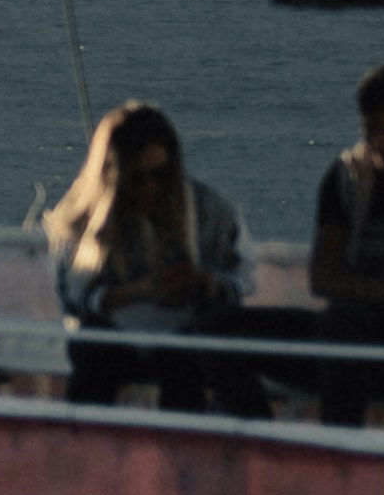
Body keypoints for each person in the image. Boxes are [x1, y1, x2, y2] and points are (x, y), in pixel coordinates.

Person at [39, 98, 246, 409]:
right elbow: (73, 297)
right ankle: (83, 445)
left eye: (161, 174)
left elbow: (241, 276)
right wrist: (139, 293)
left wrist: (206, 284)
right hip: (111, 337)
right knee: (92, 349)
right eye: (136, 177)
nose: (150, 187)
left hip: (180, 337)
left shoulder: (208, 210)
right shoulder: (83, 219)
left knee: (191, 359)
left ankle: (186, 450)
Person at [309, 66, 384, 427]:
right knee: (220, 336)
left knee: (340, 332)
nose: (379, 143)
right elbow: (323, 278)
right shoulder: (346, 177)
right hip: (353, 331)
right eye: (370, 130)